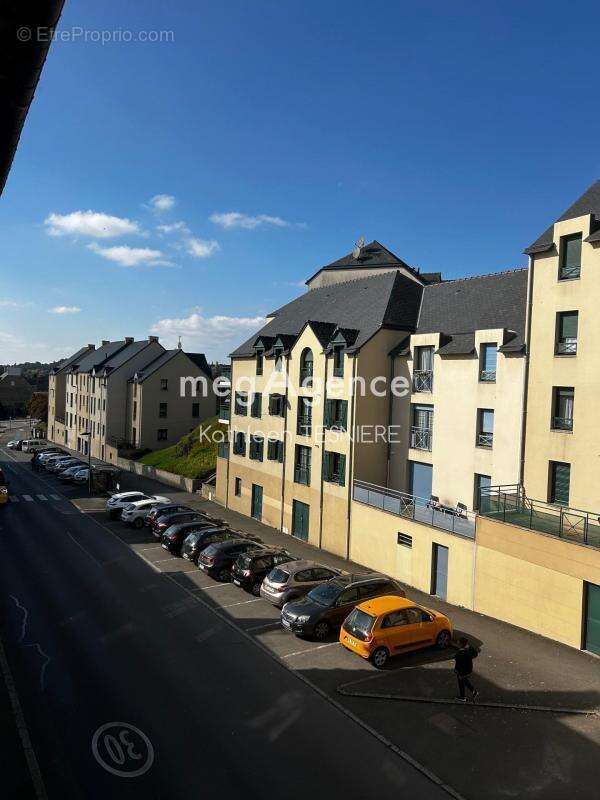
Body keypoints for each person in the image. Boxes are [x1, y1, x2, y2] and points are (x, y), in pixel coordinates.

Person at [453, 636, 479, 701]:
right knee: (464, 680)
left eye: (458, 643)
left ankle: (463, 697)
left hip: (462, 671)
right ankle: (473, 691)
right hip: (468, 669)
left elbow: (458, 663)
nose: (457, 643)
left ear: (461, 644)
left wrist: (456, 670)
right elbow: (475, 654)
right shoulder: (469, 650)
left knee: (461, 681)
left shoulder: (460, 653)